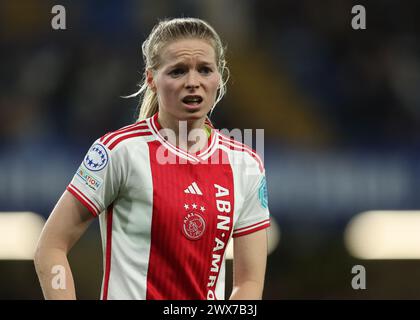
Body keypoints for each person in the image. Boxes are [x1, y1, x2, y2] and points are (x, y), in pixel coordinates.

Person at [34, 17, 270, 300]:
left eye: (204, 70)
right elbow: (51, 247)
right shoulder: (119, 151)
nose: (193, 82)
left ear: (219, 77)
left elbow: (249, 283)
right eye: (178, 71)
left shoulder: (245, 165)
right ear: (151, 79)